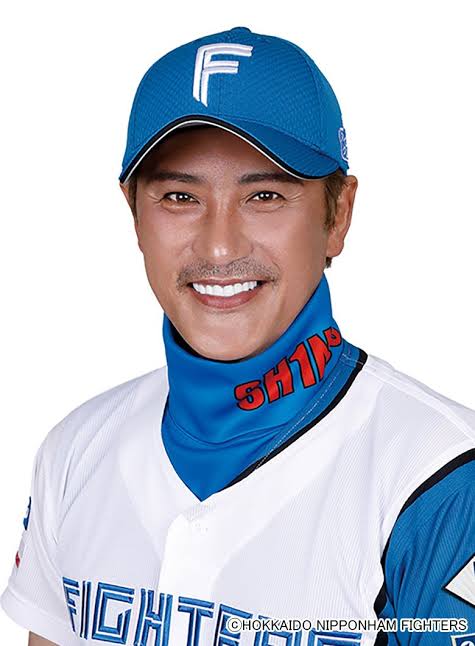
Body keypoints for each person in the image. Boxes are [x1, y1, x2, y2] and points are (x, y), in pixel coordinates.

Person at [1, 25, 474, 646]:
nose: (219, 246)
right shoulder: (74, 452)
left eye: (266, 195)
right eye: (179, 196)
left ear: (338, 215)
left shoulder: (441, 478)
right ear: (134, 214)